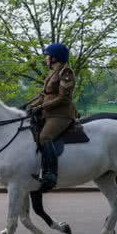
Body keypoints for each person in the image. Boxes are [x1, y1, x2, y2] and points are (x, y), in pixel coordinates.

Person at [26, 42, 77, 193]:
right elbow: (44, 96)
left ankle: (50, 174)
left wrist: (41, 107)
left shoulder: (65, 73)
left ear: (55, 58)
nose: (45, 59)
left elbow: (63, 99)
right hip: (48, 113)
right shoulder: (52, 73)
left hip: (61, 114)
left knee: (45, 137)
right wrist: (28, 106)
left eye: (47, 56)